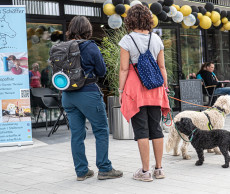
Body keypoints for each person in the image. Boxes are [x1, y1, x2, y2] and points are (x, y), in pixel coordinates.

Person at [61, 16, 123, 181]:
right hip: (88, 93)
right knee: (101, 130)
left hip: (67, 95)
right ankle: (104, 168)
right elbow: (102, 71)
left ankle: (82, 171)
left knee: (76, 134)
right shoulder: (90, 47)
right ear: (87, 30)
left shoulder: (62, 47)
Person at [118, 4, 170, 182]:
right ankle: (159, 169)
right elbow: (162, 66)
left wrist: (120, 90)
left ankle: (145, 171)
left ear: (130, 19)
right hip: (155, 88)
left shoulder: (127, 40)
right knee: (156, 129)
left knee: (142, 130)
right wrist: (166, 87)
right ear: (148, 18)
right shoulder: (156, 39)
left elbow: (124, 69)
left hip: (135, 89)